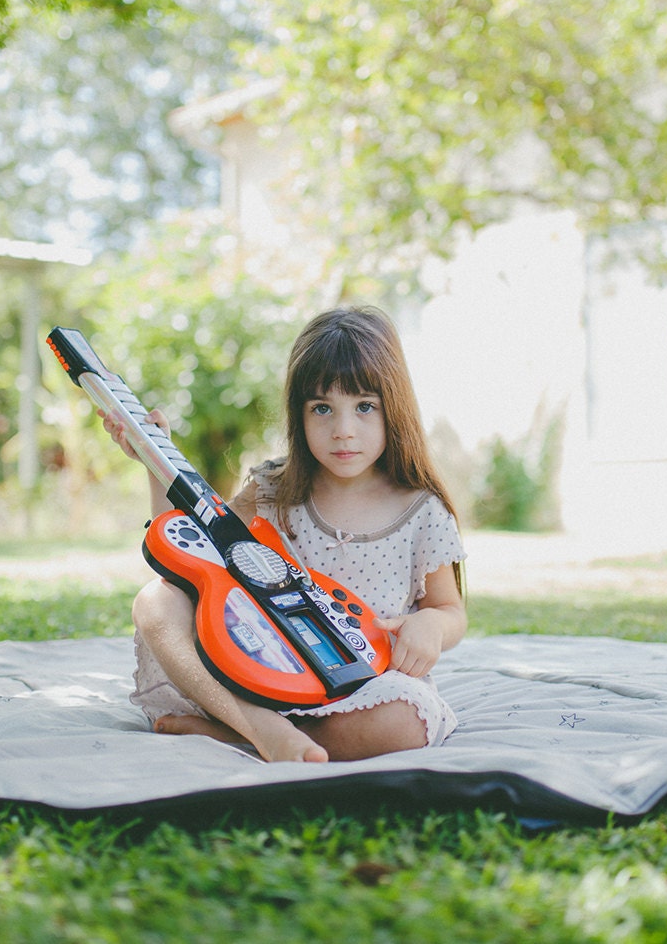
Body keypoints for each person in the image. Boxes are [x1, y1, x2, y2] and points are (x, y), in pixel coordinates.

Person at [102, 306, 467, 763]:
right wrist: (155, 466)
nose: (343, 431)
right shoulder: (273, 489)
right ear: (299, 414)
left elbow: (449, 609)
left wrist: (431, 625)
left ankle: (233, 733)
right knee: (156, 600)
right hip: (260, 668)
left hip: (364, 686)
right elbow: (190, 555)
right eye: (322, 408)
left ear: (395, 407)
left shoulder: (420, 510)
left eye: (365, 407)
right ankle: (260, 727)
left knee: (402, 723)